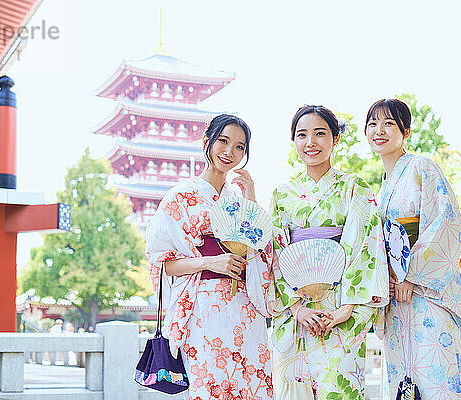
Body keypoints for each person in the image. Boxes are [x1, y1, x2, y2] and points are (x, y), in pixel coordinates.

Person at [145, 114, 274, 400]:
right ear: (207, 141)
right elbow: (164, 263)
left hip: (244, 304)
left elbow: (259, 248)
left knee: (249, 383)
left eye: (240, 147)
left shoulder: (238, 200)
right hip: (202, 306)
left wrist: (251, 196)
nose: (230, 152)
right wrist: (210, 262)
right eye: (223, 141)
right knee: (211, 386)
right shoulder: (180, 197)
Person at [270, 105, 389, 399]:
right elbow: (275, 252)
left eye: (320, 133)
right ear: (294, 141)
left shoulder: (354, 186)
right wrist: (296, 309)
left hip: (342, 304)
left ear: (335, 139)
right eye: (302, 135)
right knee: (294, 390)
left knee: (340, 388)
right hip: (298, 311)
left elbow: (365, 246)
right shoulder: (282, 193)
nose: (311, 142)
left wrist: (346, 308)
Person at [365, 98, 461, 399]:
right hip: (395, 298)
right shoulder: (382, 188)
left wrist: (410, 275)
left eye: (389, 123)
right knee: (403, 381)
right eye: (373, 124)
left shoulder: (422, 167)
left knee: (436, 376)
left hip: (426, 293)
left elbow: (446, 223)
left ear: (406, 131)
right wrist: (385, 277)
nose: (379, 130)